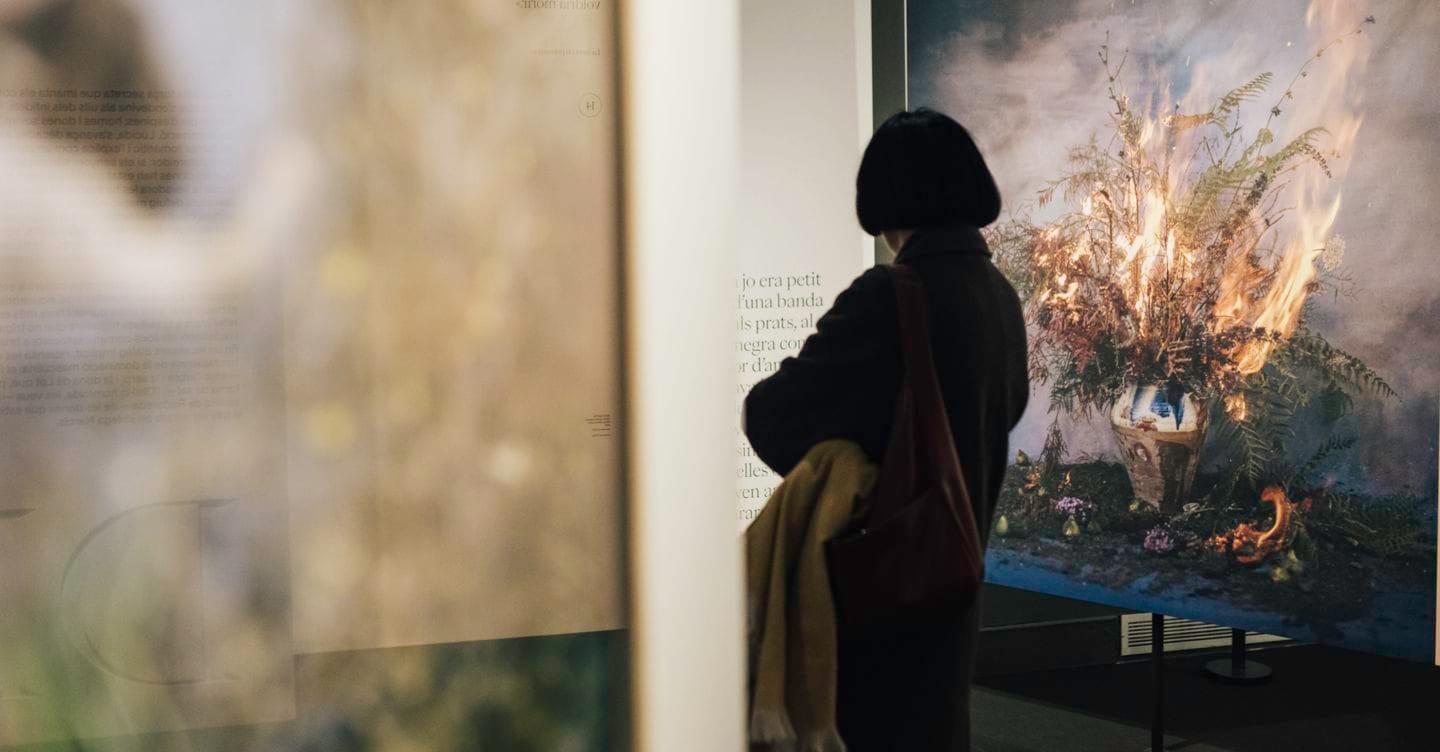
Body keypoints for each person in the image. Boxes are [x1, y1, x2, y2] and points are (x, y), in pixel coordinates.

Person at [743, 108, 1030, 751]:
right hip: (953, 583)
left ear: (887, 196)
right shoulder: (1000, 297)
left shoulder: (891, 297)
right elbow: (1000, 412)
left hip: (877, 595)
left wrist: (846, 459)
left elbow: (771, 417)